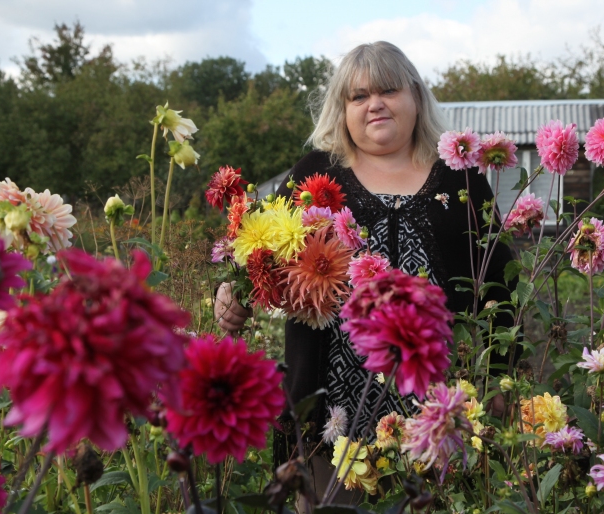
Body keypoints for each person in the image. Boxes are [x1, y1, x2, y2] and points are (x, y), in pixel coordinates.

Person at [215, 41, 514, 473]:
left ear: (415, 96)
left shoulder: (459, 177)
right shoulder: (314, 174)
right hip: (329, 419)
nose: (375, 105)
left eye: (388, 91)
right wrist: (231, 288)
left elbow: (502, 283)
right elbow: (257, 244)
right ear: (343, 108)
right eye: (358, 96)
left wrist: (498, 373)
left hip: (440, 416)